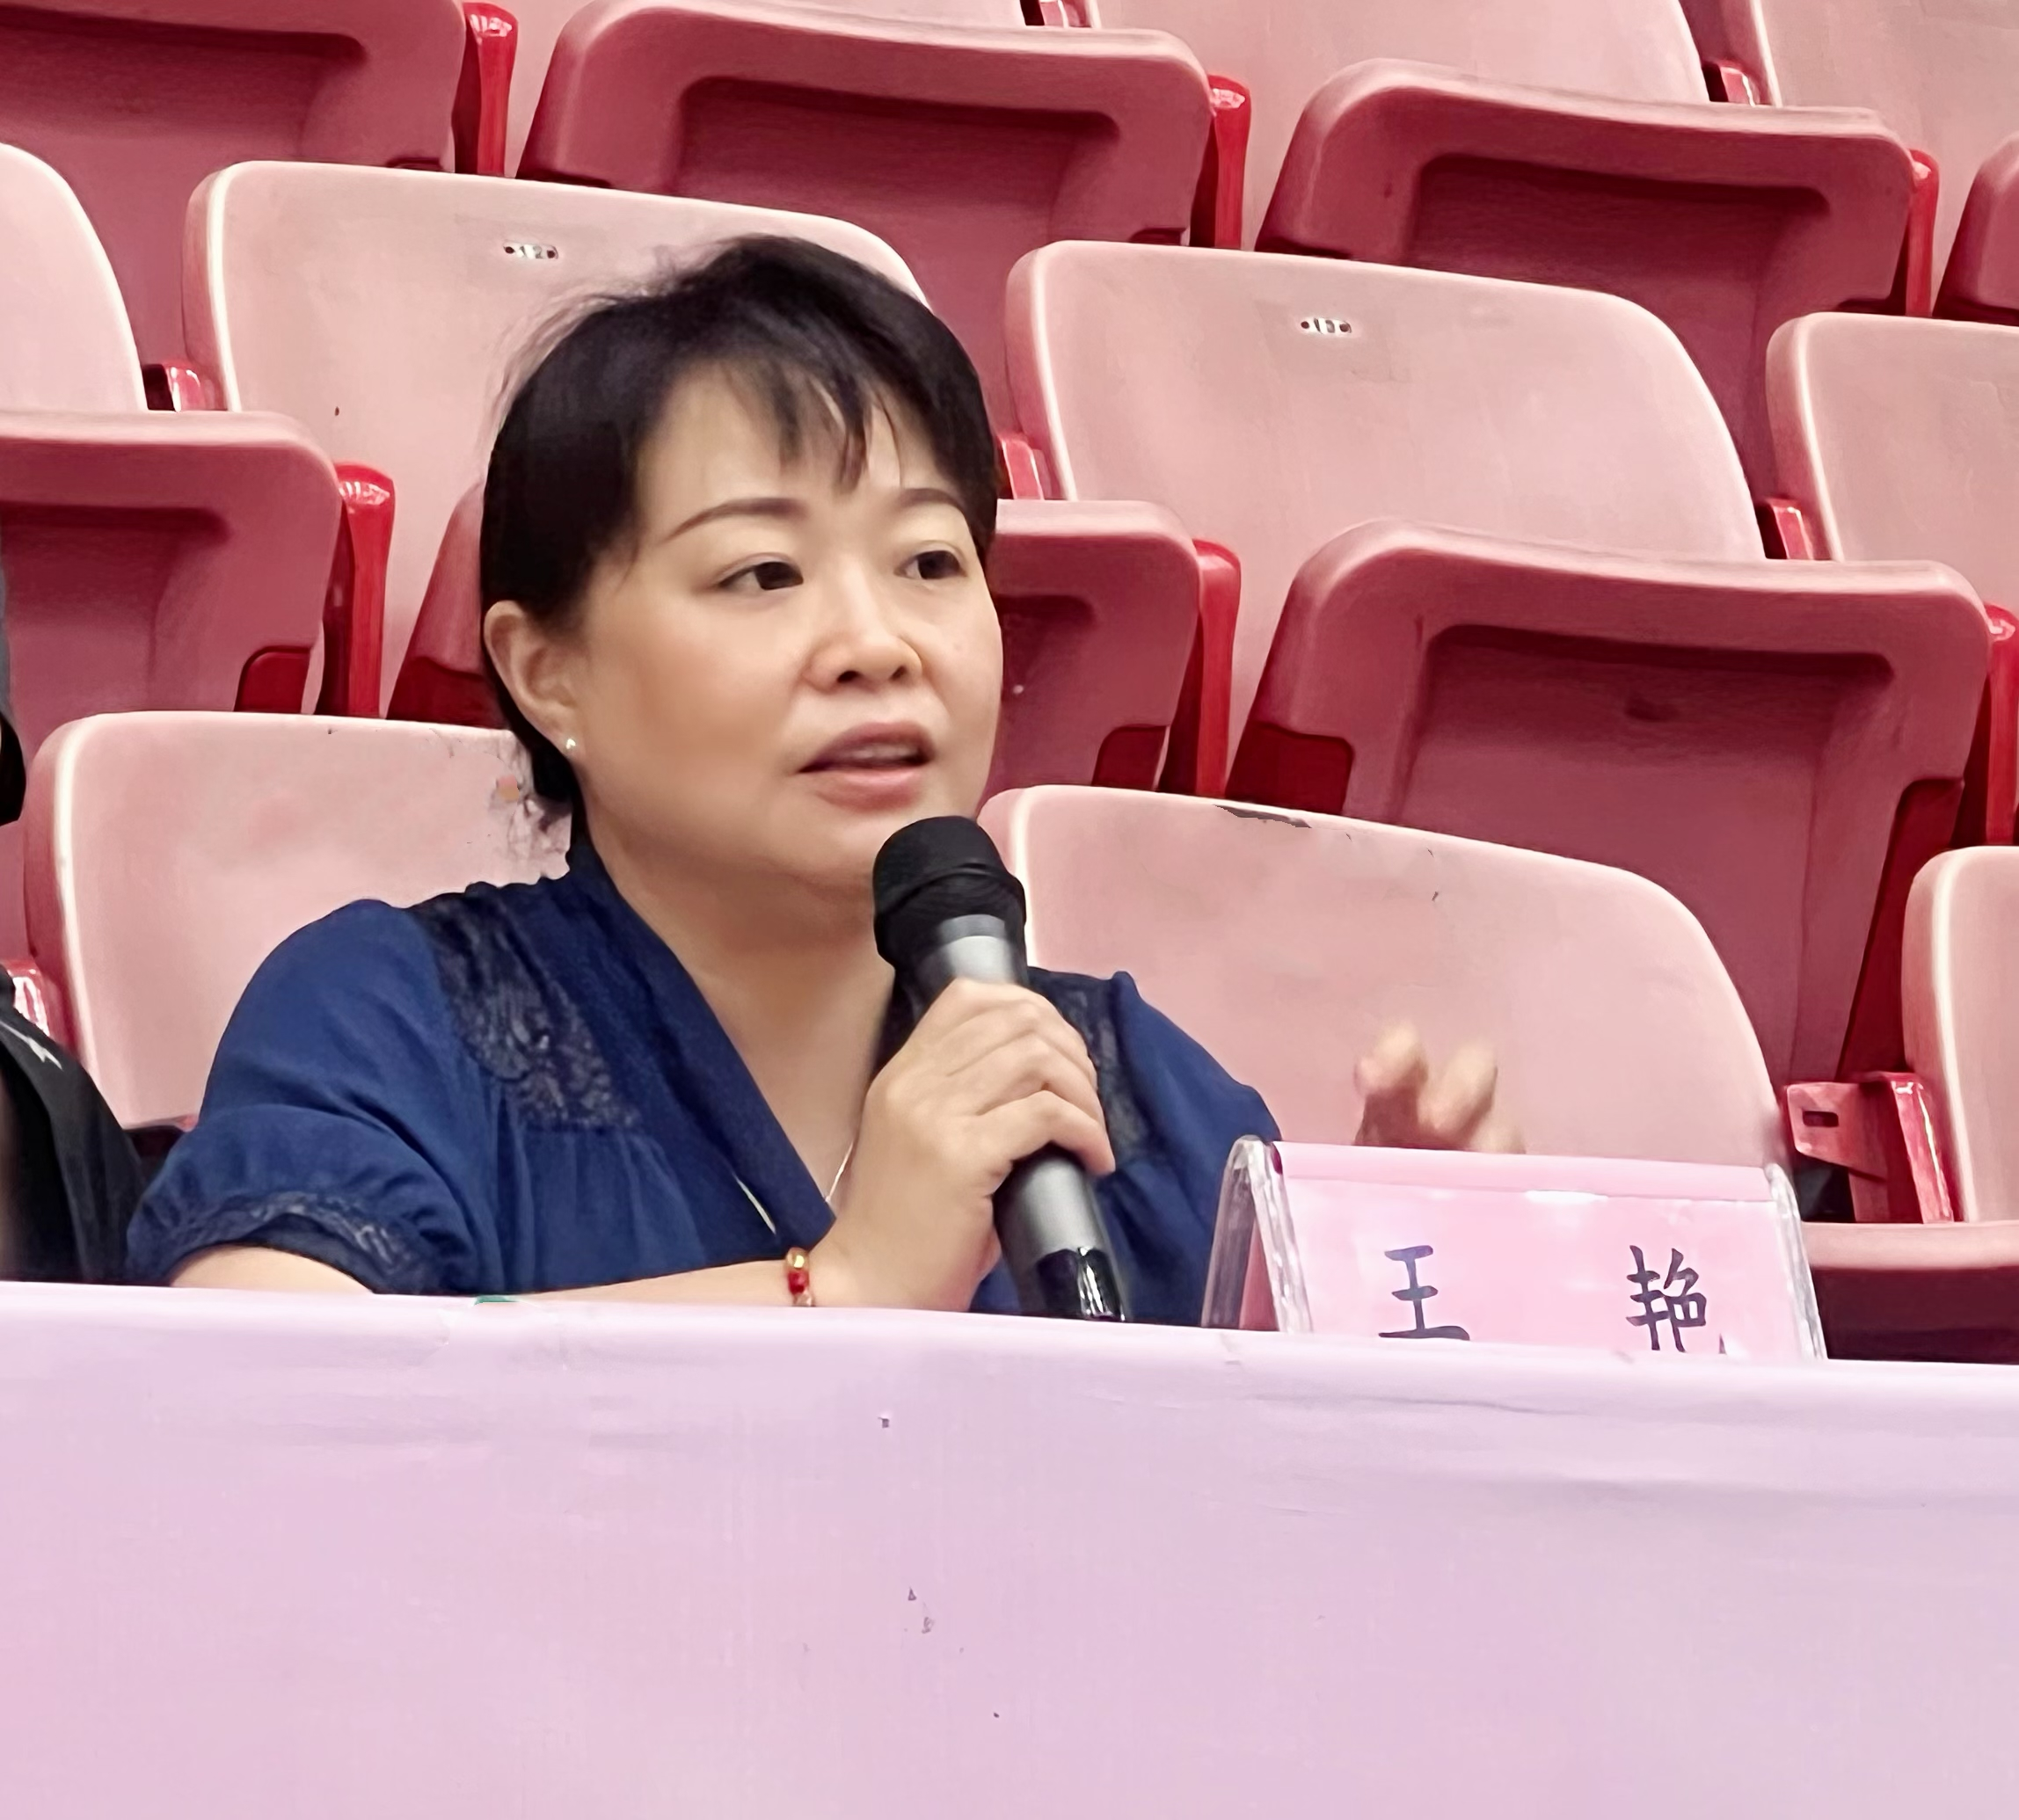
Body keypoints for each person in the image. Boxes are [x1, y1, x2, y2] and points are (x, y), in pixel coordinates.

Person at [128, 238, 1515, 1321]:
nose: (876, 644)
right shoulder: (388, 1020)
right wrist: (843, 1288)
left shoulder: (1127, 1088)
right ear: (549, 675)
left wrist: (1394, 1303)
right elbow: (263, 1406)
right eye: (763, 573)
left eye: (929, 562)